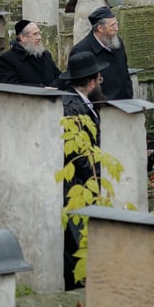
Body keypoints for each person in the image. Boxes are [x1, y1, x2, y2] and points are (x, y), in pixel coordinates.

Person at [59, 50, 108, 290]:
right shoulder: (71, 107)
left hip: (81, 182)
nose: (101, 82)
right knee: (74, 242)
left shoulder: (80, 102)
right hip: (75, 185)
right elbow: (79, 154)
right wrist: (97, 178)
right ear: (91, 81)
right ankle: (74, 288)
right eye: (99, 78)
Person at [68, 6, 132, 100]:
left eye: (116, 24)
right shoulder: (81, 50)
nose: (117, 28)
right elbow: (74, 86)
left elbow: (125, 73)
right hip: (101, 107)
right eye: (113, 25)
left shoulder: (118, 43)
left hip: (125, 104)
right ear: (100, 28)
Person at [0, 19, 60, 87]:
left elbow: (59, 77)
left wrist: (53, 87)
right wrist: (42, 89)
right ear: (23, 38)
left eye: (39, 33)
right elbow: (11, 86)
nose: (39, 37)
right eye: (35, 34)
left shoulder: (45, 55)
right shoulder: (7, 59)